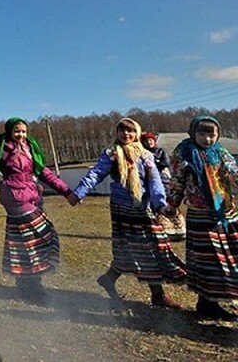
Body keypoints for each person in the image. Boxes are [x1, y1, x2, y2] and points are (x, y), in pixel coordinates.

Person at [72, 118, 185, 309]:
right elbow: (96, 173)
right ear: (116, 133)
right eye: (122, 130)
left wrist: (160, 205)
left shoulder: (146, 155)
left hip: (143, 208)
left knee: (151, 247)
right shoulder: (111, 154)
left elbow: (154, 181)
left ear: (137, 134)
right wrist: (79, 192)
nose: (127, 134)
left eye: (131, 131)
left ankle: (110, 279)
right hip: (122, 209)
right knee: (132, 249)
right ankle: (157, 294)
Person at [0, 118, 78, 304]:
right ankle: (33, 287)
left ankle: (27, 285)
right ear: (9, 132)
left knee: (25, 244)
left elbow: (44, 172)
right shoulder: (2, 148)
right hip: (15, 198)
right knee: (38, 237)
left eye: (23, 131)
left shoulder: (30, 147)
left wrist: (66, 192)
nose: (21, 135)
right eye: (17, 131)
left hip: (32, 196)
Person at [167, 115, 238, 321]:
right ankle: (207, 304)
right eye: (202, 133)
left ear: (218, 135)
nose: (207, 139)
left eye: (211, 134)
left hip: (225, 213)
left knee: (227, 258)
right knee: (205, 260)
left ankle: (216, 299)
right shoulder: (184, 153)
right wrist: (171, 205)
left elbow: (234, 172)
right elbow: (177, 182)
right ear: (193, 133)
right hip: (199, 215)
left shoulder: (221, 152)